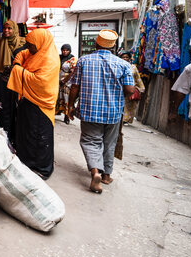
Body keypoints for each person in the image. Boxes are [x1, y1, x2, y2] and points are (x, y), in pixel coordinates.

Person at [67, 30, 135, 193]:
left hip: (89, 110)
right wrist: (115, 94)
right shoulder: (123, 64)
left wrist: (70, 105)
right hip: (113, 112)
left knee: (91, 141)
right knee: (109, 143)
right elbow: (130, 89)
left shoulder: (84, 61)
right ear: (113, 48)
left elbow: (74, 86)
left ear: (96, 44)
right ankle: (106, 176)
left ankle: (95, 171)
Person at [6, 28, 60, 179]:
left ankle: (40, 168)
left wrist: (17, 69)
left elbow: (40, 82)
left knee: (38, 136)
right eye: (28, 45)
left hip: (40, 105)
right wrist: (18, 62)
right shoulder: (35, 53)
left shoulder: (50, 60)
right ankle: (27, 164)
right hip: (29, 103)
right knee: (27, 135)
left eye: (31, 45)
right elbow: (21, 54)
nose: (28, 48)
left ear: (41, 43)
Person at [0, 19, 27, 146]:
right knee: (3, 109)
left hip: (17, 81)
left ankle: (15, 138)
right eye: (5, 28)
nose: (6, 31)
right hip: (2, 81)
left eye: (9, 28)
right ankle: (4, 137)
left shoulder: (23, 44)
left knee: (17, 109)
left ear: (15, 30)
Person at [119, 51, 145, 124]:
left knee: (129, 105)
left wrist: (141, 88)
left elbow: (138, 78)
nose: (125, 58)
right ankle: (120, 119)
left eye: (126, 57)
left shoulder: (133, 67)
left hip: (130, 88)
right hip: (120, 88)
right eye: (123, 57)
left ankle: (125, 120)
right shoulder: (117, 65)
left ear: (129, 58)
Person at [56, 44, 77, 124]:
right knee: (59, 97)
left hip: (67, 82)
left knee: (66, 99)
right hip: (58, 80)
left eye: (66, 50)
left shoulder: (72, 59)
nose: (64, 52)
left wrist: (64, 80)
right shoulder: (59, 57)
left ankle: (67, 116)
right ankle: (58, 112)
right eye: (63, 50)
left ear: (69, 51)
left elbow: (73, 72)